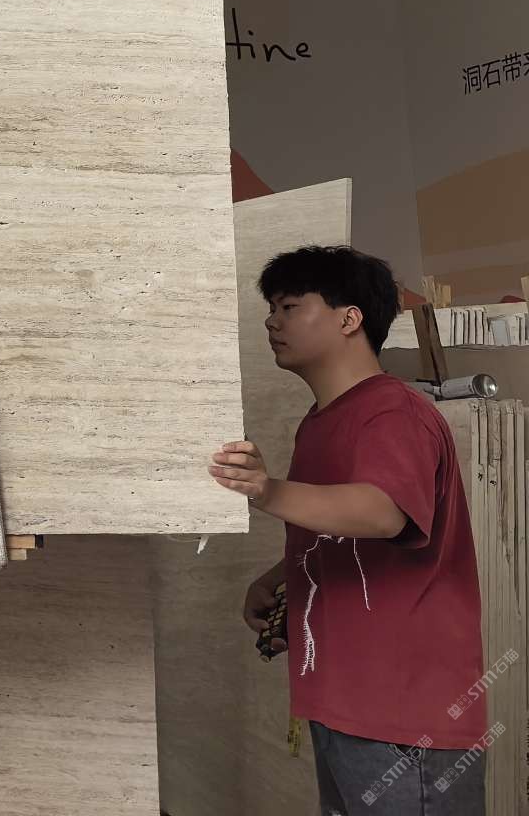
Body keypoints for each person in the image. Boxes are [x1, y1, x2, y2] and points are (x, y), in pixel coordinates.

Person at [210, 245, 487, 816]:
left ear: (349, 318)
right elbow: (342, 529)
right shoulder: (319, 423)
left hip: (403, 713)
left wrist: (266, 490)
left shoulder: (392, 412)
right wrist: (281, 576)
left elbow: (382, 513)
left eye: (289, 306)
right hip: (341, 700)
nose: (272, 321)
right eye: (271, 308)